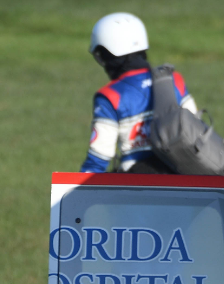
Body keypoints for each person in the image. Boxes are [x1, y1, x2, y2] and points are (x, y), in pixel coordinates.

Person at [80, 12, 200, 173]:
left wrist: (77, 186)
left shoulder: (111, 96)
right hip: (184, 176)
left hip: (137, 184)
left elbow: (98, 160)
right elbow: (197, 132)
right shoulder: (173, 80)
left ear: (107, 55)